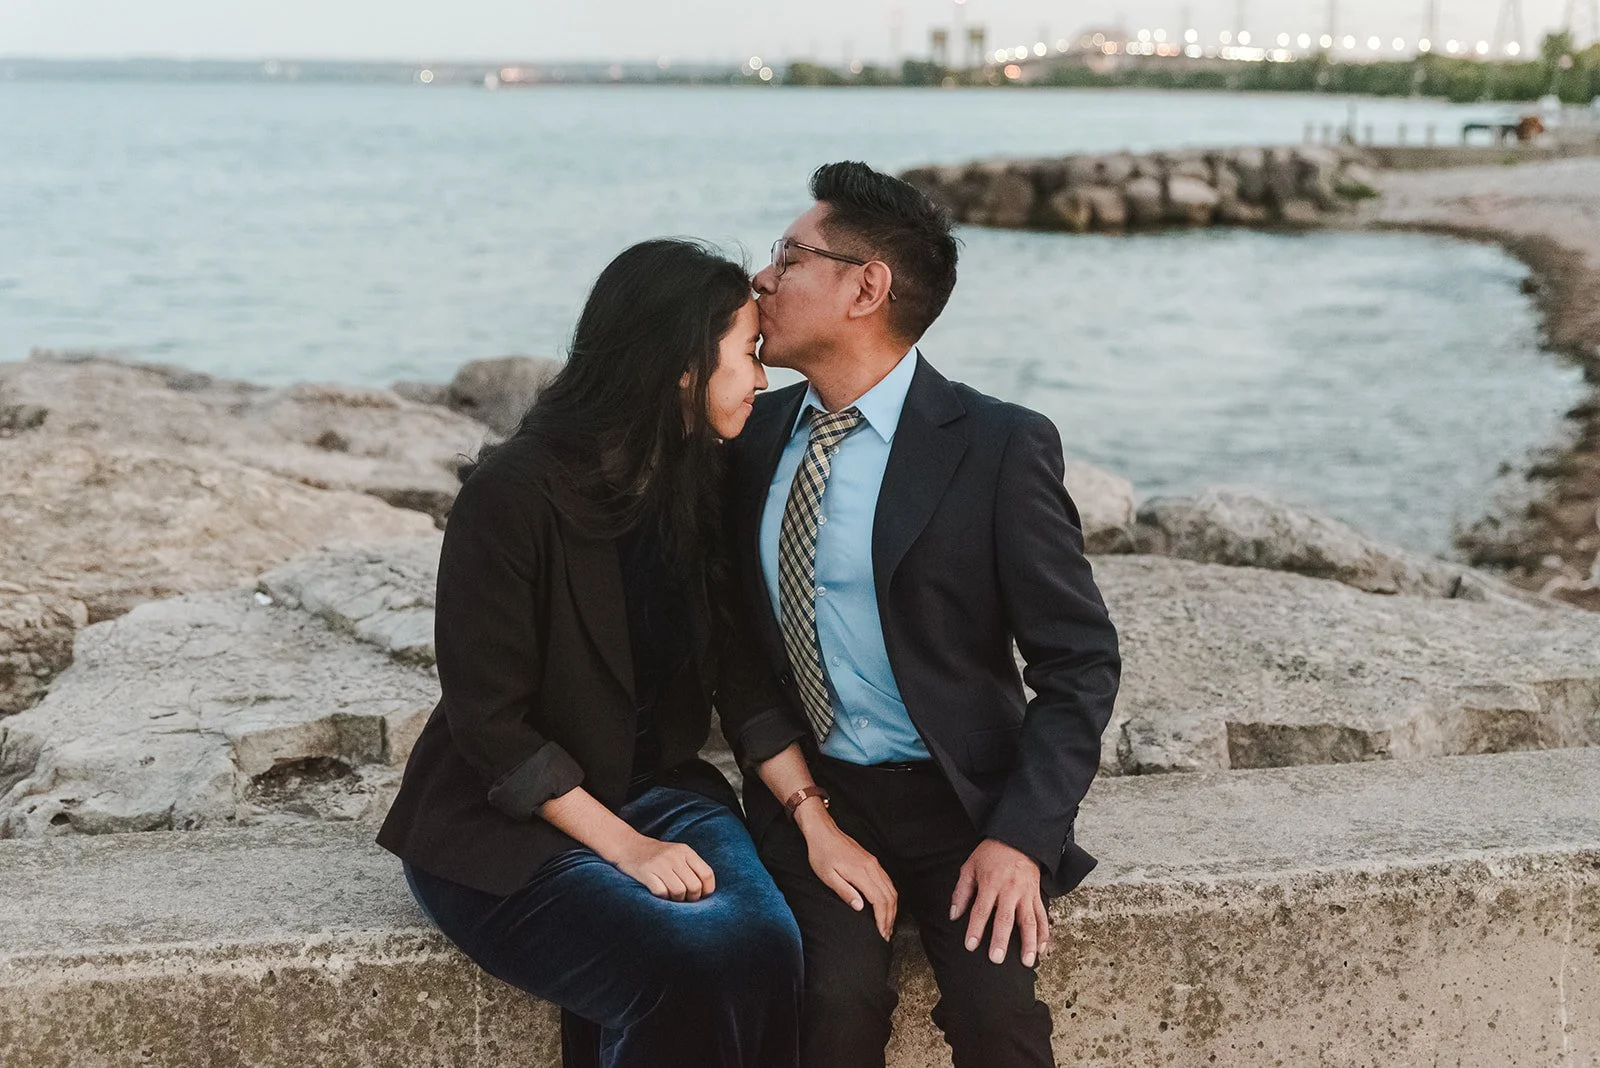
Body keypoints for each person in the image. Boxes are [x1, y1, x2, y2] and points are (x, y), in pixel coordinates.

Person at [716, 162, 1122, 1068]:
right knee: (831, 1002)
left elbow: (1079, 664)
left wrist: (1021, 837)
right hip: (813, 794)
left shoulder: (998, 445)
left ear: (867, 287)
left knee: (997, 1019)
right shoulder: (749, 440)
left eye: (789, 256)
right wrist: (808, 811)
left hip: (965, 800)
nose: (762, 278)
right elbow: (735, 650)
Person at [377, 239, 803, 1068]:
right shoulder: (510, 495)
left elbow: (741, 677)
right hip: (506, 820)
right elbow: (490, 723)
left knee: (767, 948)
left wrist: (811, 817)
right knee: (687, 964)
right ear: (683, 365)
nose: (762, 377)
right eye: (747, 354)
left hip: (662, 790)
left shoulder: (702, 479)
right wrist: (626, 848)